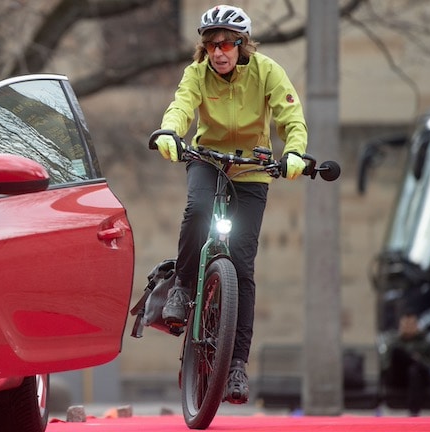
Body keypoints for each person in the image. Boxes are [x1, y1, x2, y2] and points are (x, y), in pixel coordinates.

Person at [154, 5, 308, 404]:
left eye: (227, 43)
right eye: (210, 45)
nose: (218, 52)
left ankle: (237, 364)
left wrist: (294, 152)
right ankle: (184, 289)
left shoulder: (267, 71)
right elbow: (181, 106)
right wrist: (170, 132)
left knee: (241, 262)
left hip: (252, 168)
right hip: (207, 160)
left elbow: (291, 115)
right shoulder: (196, 75)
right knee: (198, 211)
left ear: (243, 45)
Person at [380, 310, 430, 416]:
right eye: (405, 324)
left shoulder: (426, 341)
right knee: (398, 352)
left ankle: (413, 412)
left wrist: (419, 361)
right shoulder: (393, 342)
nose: (407, 327)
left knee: (414, 370)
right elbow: (385, 365)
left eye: (411, 324)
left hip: (419, 378)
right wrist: (413, 358)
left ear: (417, 325)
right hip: (398, 377)